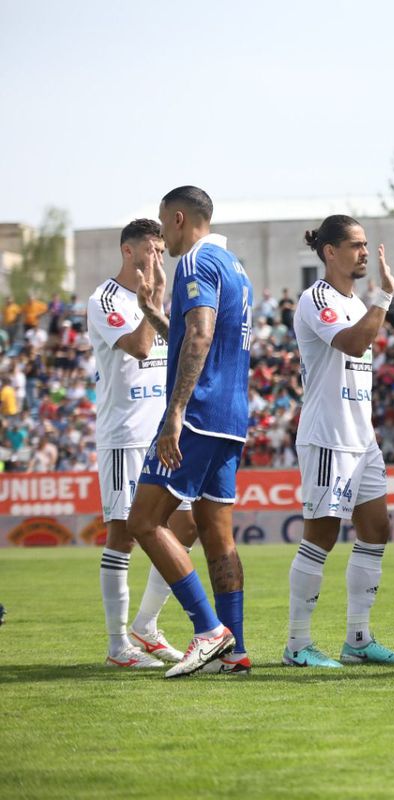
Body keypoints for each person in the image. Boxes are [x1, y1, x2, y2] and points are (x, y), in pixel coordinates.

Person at [125, 186, 252, 678]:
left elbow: (199, 334)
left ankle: (208, 630)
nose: (163, 237)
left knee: (143, 522)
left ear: (179, 218)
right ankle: (235, 648)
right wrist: (152, 309)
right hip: (230, 417)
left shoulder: (196, 261)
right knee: (218, 536)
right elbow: (196, 331)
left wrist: (176, 411)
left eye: (163, 224)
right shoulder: (233, 264)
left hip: (199, 411)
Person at [282, 216, 394, 668]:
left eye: (365, 244)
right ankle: (297, 644)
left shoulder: (359, 304)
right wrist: (384, 298)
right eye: (354, 245)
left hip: (362, 437)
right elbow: (354, 345)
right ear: (329, 252)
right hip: (327, 436)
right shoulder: (317, 298)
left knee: (377, 529)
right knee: (322, 534)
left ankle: (357, 639)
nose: (363, 252)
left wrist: (376, 301)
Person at [89, 219, 200, 669]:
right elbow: (138, 345)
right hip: (124, 436)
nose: (158, 257)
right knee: (123, 535)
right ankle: (118, 646)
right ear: (128, 251)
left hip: (160, 434)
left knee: (186, 525)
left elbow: (178, 352)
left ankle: (146, 625)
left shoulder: (159, 302)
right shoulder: (106, 299)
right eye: (151, 250)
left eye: (160, 250)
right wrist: (151, 303)